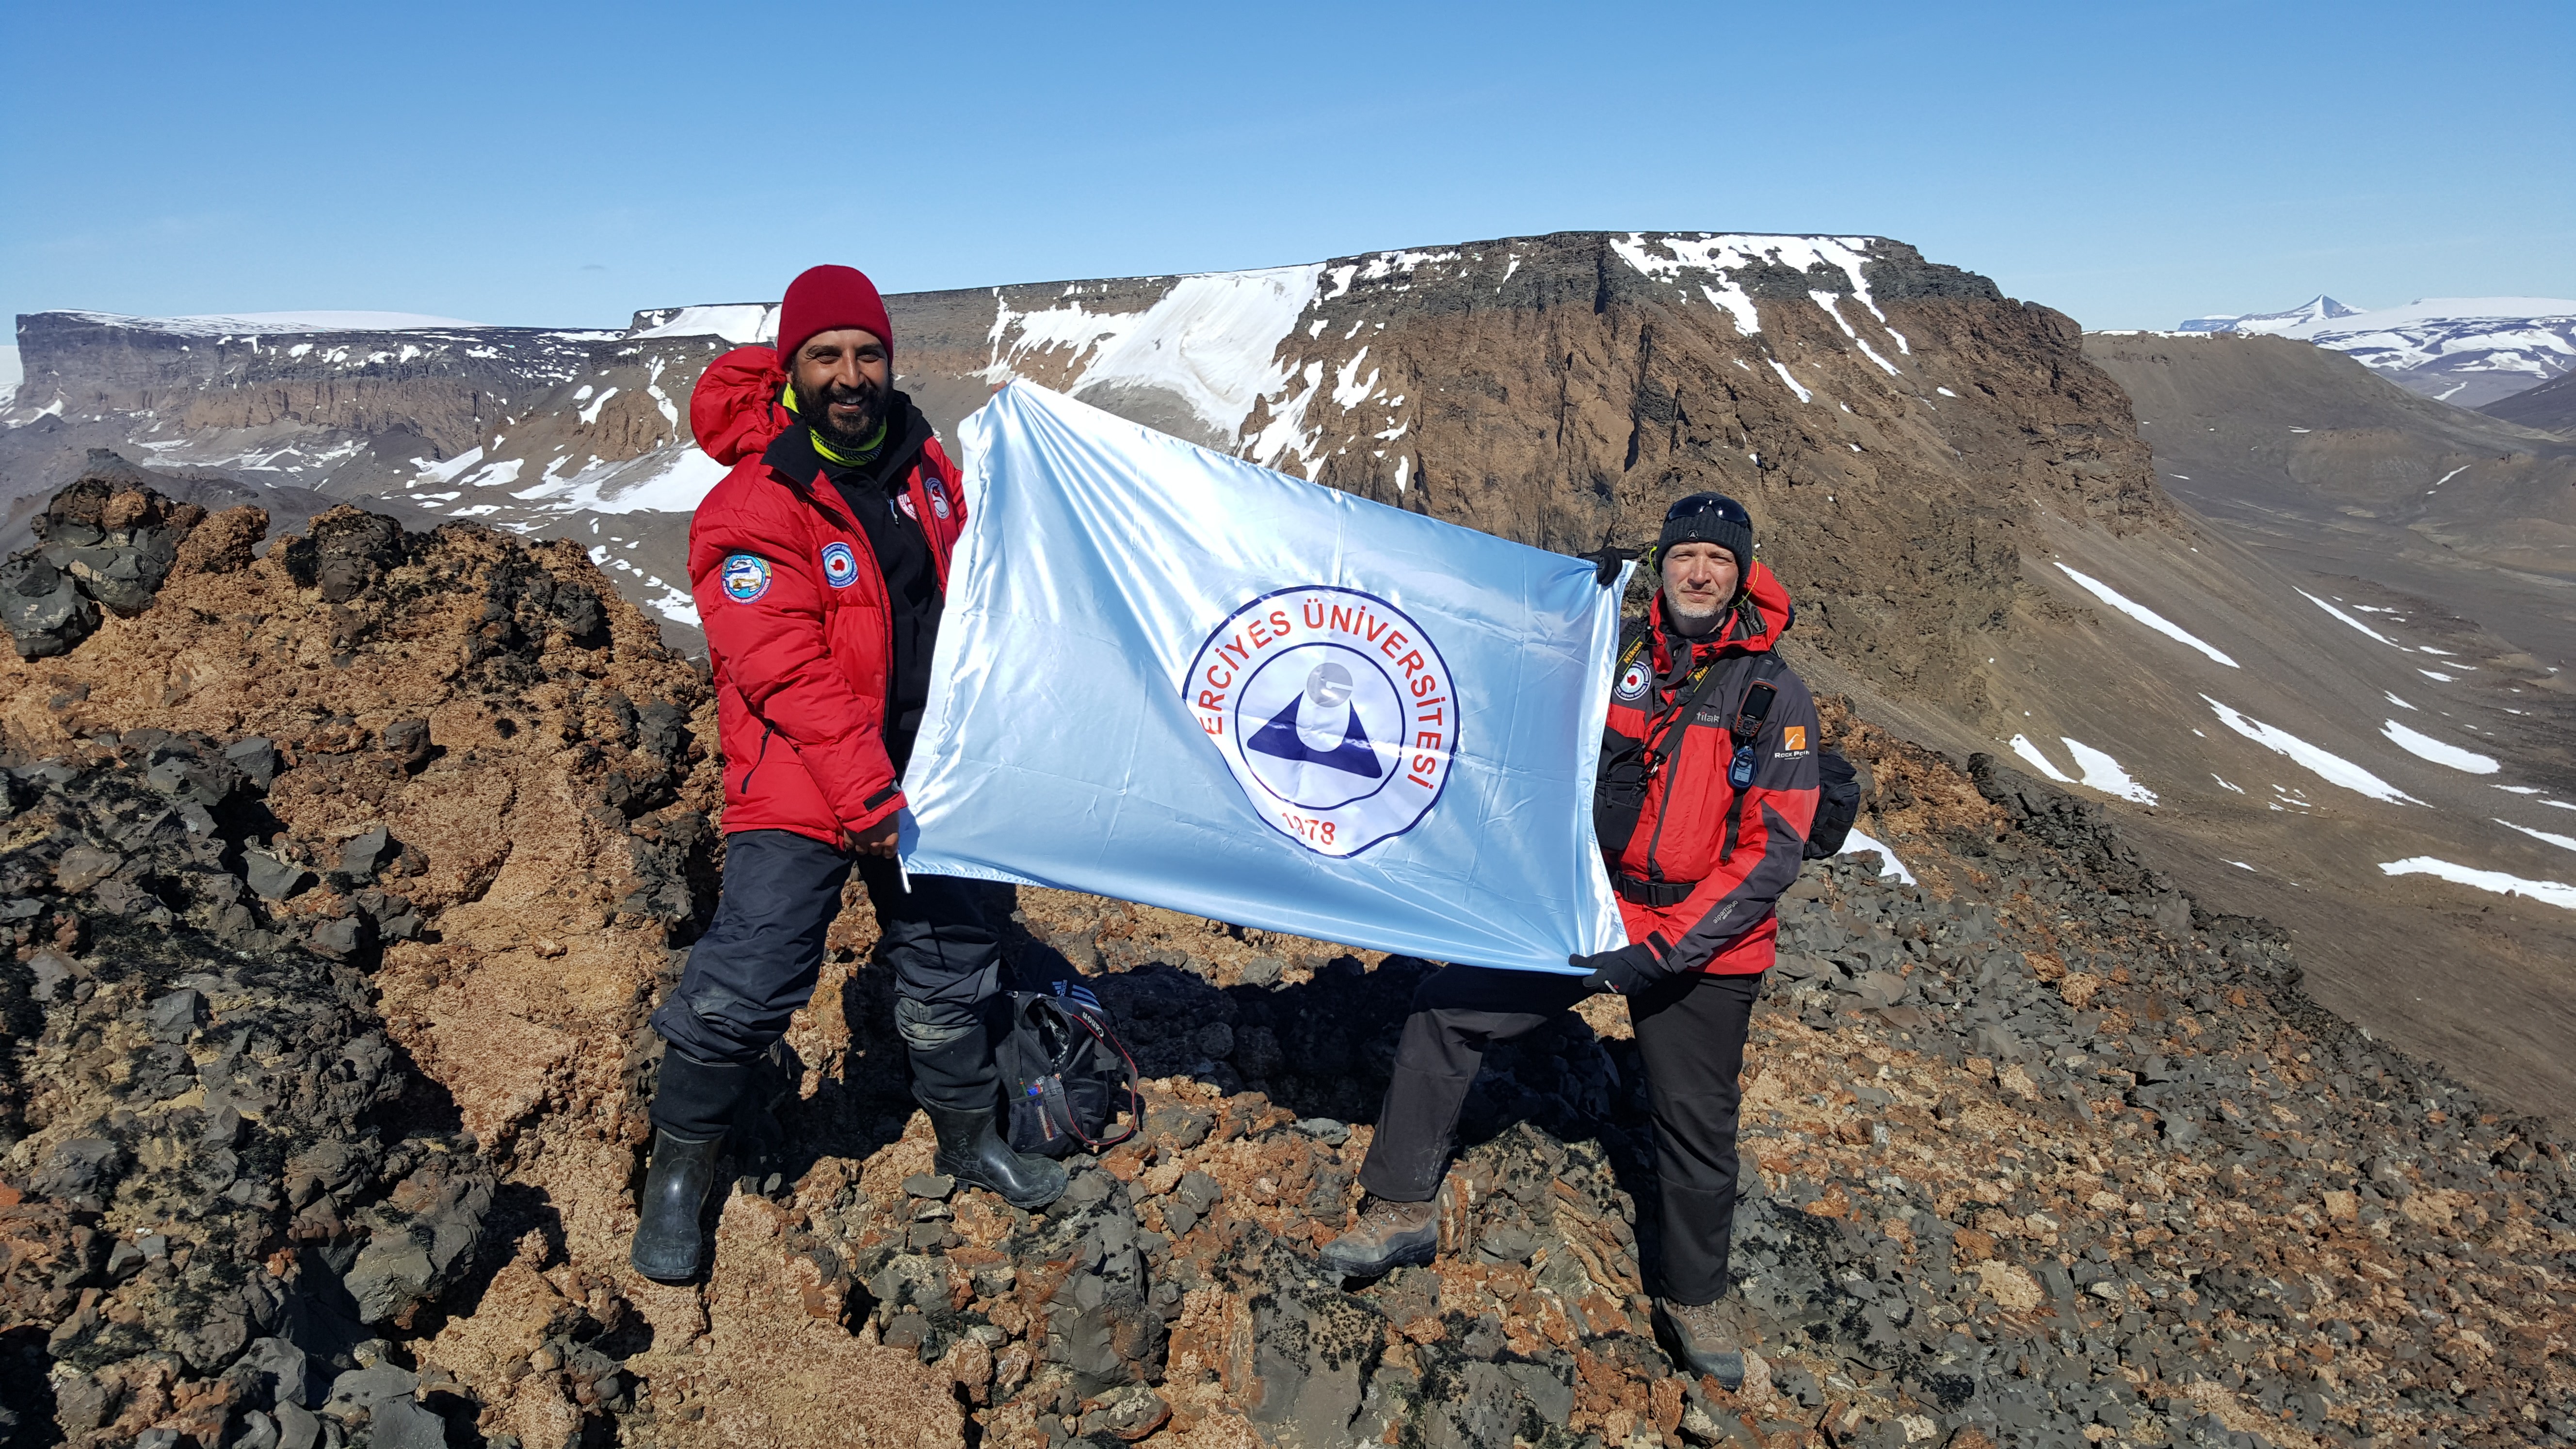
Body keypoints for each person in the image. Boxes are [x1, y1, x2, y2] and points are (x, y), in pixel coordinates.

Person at [1320, 493, 1821, 1386]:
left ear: (1742, 573)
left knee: (1696, 1125)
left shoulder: (1771, 692)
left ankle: (1695, 1295)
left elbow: (1770, 852)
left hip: (1700, 942)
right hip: (1588, 906)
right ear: (1660, 567)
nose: (1699, 573)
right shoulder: (1616, 654)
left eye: (1717, 559)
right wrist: (1563, 610)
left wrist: (1664, 949)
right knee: (1445, 1011)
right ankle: (1400, 1207)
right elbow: (1511, 698)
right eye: (1683, 557)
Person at [629, 264, 1066, 1282]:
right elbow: (777, 661)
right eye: (826, 355)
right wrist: (865, 789)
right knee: (753, 974)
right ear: (793, 370)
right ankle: (680, 1174)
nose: (851, 373)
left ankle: (964, 1140)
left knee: (956, 954)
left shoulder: (928, 473)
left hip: (932, 774)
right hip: (804, 781)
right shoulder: (754, 501)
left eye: (867, 352)